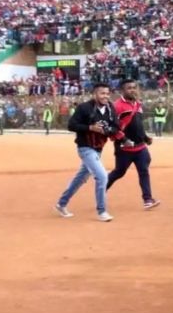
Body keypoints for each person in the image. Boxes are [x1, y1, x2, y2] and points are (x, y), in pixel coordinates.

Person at [54, 83, 120, 222]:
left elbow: (116, 127)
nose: (106, 96)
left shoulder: (110, 108)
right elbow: (71, 125)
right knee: (102, 177)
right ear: (94, 94)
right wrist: (90, 127)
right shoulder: (84, 107)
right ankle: (102, 211)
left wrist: (107, 130)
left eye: (107, 93)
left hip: (98, 149)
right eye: (102, 93)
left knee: (80, 178)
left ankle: (61, 203)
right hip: (85, 148)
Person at [105, 79, 161, 210]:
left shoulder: (138, 104)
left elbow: (138, 124)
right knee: (119, 172)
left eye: (134, 87)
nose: (132, 90)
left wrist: (146, 137)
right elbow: (112, 127)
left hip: (141, 147)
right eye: (129, 88)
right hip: (124, 148)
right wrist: (124, 140)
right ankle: (101, 189)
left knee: (144, 171)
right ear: (122, 91)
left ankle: (147, 199)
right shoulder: (117, 106)